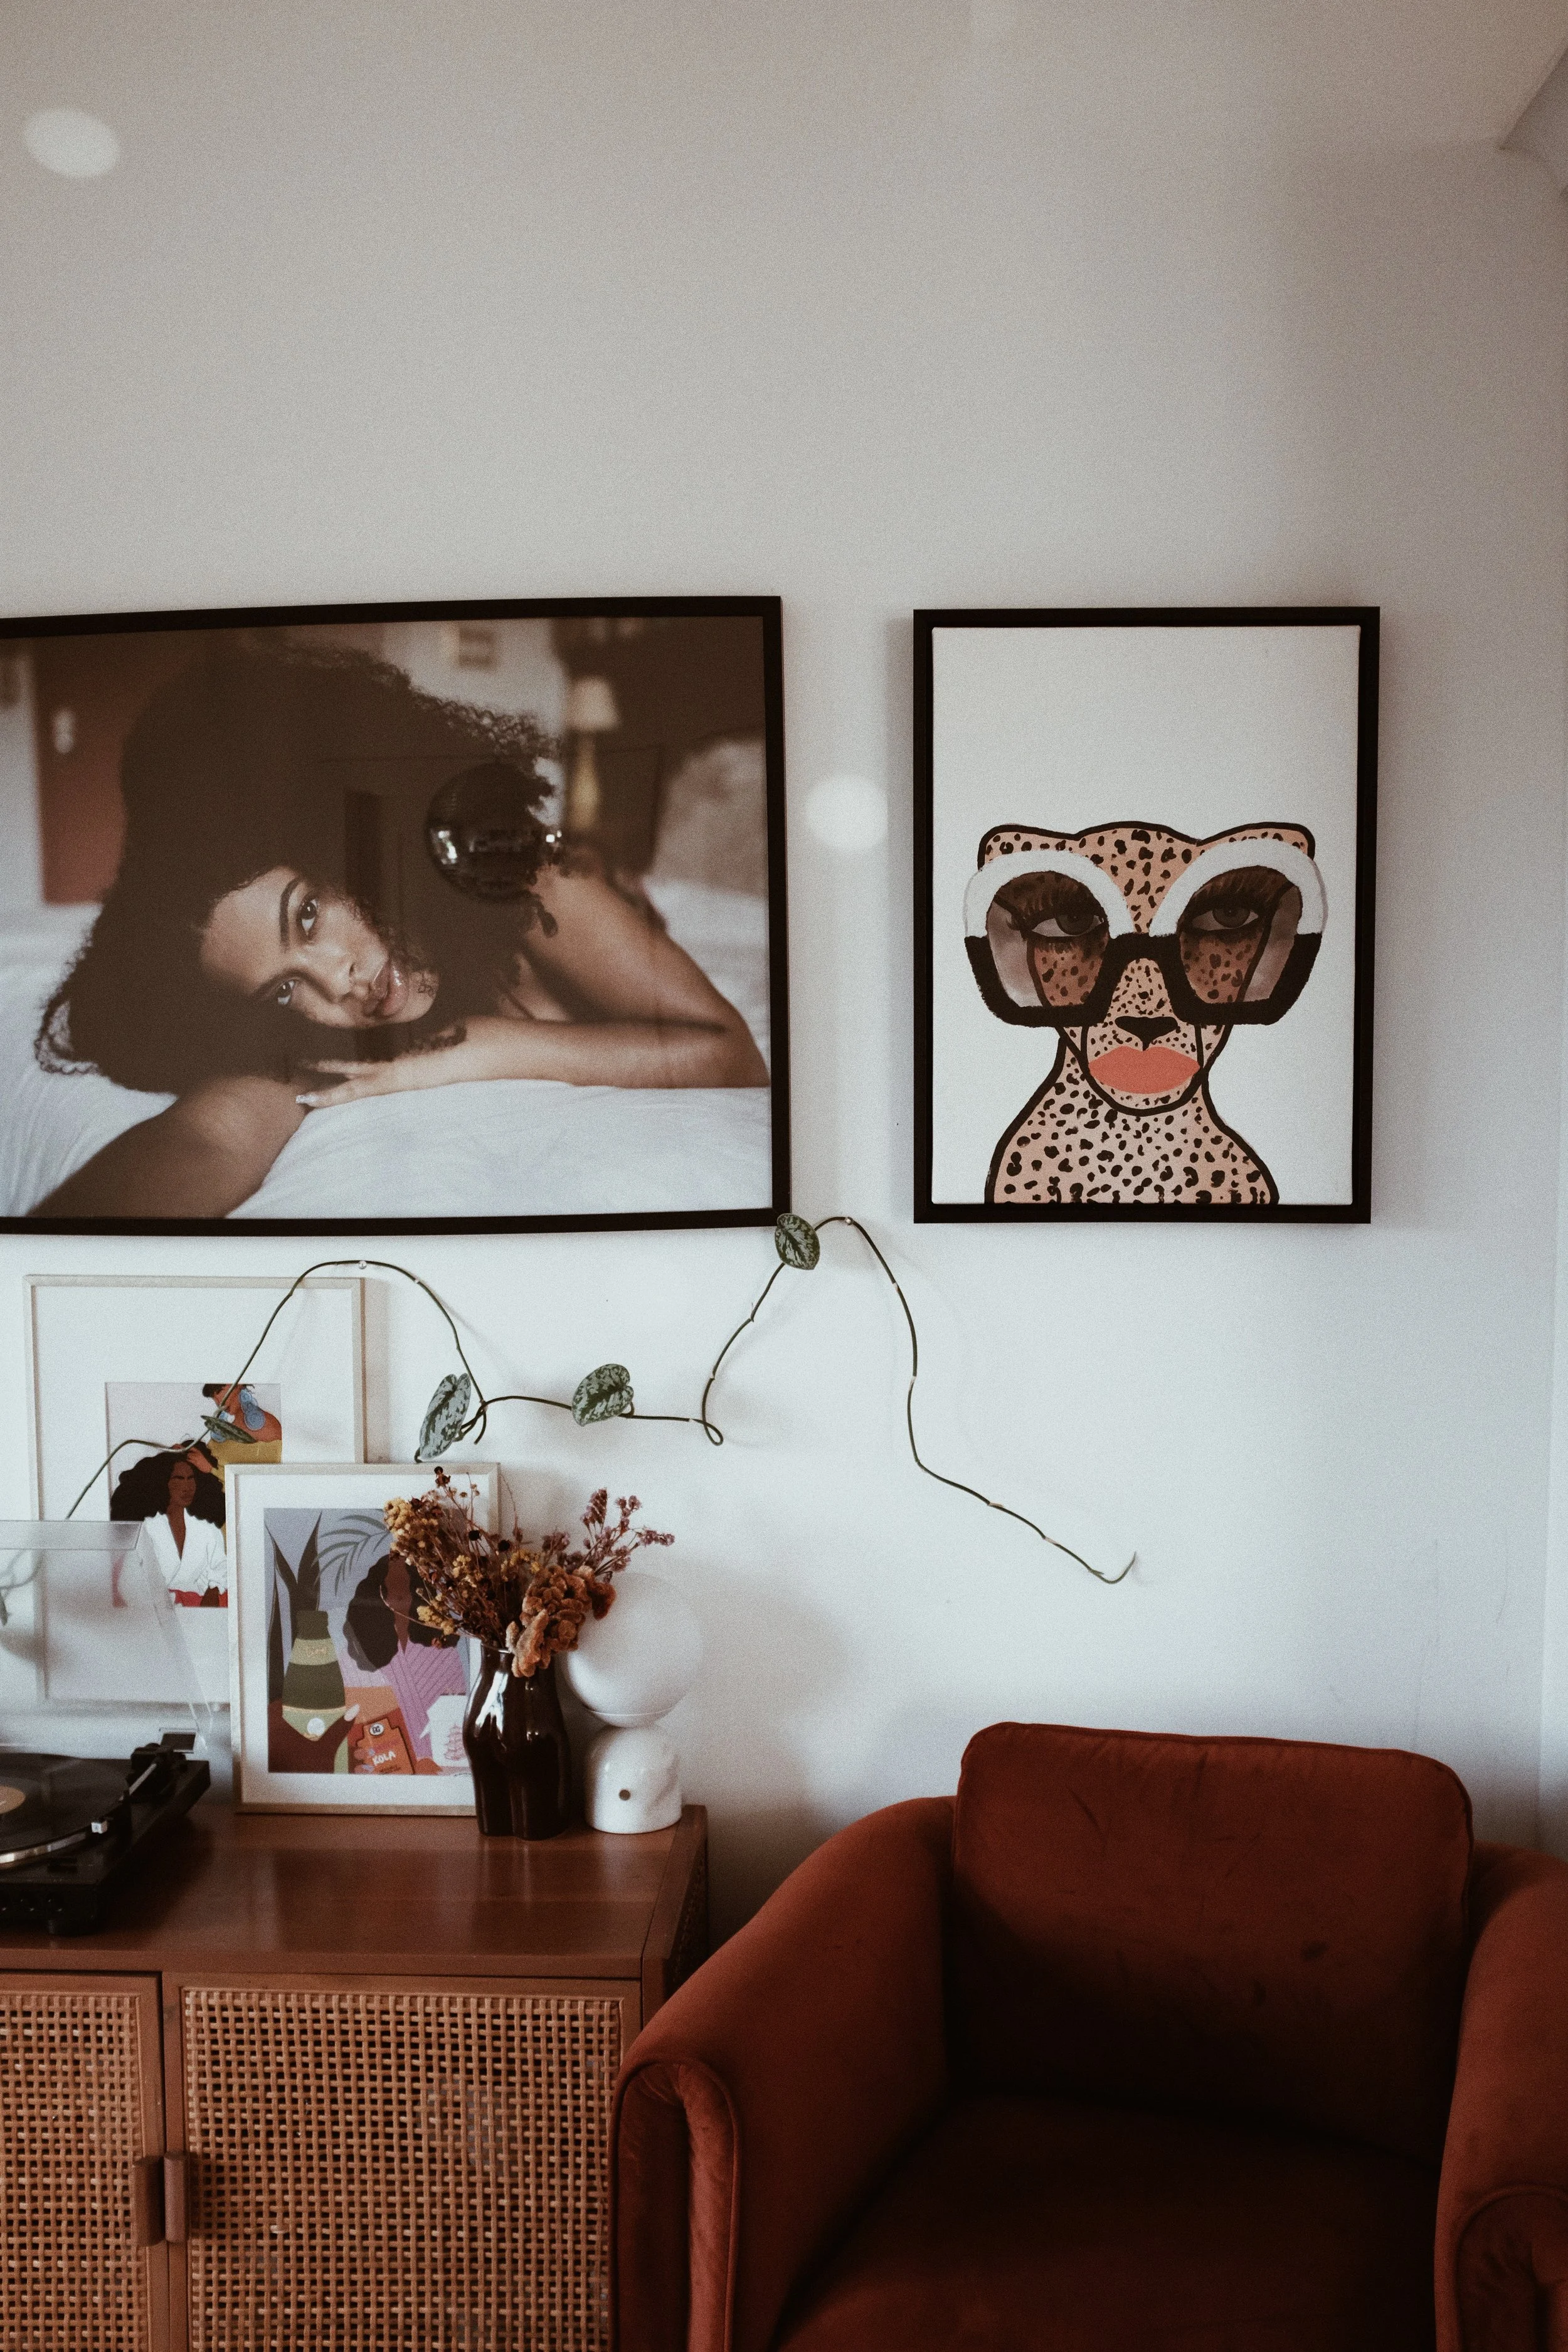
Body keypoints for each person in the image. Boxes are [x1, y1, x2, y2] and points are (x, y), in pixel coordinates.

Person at [30, 637, 766, 1219]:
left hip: (578, 892)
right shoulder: (322, 1026)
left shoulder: (514, 869)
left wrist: (475, 1049)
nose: (336, 985)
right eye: (284, 988)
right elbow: (210, 1133)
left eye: (308, 914)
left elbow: (731, 1055)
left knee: (589, 870)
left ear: (348, 839)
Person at [341, 1548, 464, 1765]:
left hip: (442, 1764)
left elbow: (458, 1718)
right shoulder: (354, 1658)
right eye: (390, 1587)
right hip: (380, 1763)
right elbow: (348, 1724)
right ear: (377, 1592)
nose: (399, 1596)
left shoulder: (444, 1653)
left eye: (406, 1586)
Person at [109, 1450, 228, 1606]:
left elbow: (222, 1571)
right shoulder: (146, 1530)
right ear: (164, 1482)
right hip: (153, 1612)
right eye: (179, 1479)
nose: (187, 1487)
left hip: (200, 1614)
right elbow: (128, 1585)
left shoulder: (208, 1531)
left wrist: (213, 1591)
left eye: (191, 1479)